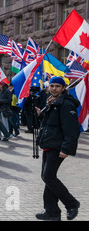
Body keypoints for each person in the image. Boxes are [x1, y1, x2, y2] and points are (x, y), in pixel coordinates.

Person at [35, 76, 81, 221]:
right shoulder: (52, 102)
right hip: (49, 144)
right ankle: (52, 211)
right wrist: (42, 114)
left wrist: (65, 148)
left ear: (63, 88)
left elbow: (72, 129)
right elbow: (50, 123)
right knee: (47, 177)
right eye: (52, 86)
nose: (54, 88)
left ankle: (72, 204)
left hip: (58, 146)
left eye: (57, 86)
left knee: (49, 176)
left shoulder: (66, 104)